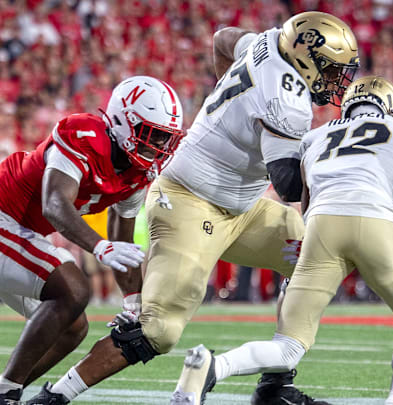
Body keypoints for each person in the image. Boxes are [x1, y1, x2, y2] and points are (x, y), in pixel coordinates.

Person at [26, 11, 359, 405]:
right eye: (332, 70)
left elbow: (223, 38)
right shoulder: (287, 100)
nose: (338, 82)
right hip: (189, 200)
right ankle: (54, 397)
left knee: (321, 256)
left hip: (243, 209)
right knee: (157, 330)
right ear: (305, 58)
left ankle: (275, 383)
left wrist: (231, 103)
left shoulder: (265, 43)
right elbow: (288, 186)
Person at [170, 76, 393, 405]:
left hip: (321, 228)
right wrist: (391, 257)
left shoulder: (316, 137)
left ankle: (213, 366)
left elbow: (307, 208)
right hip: (376, 220)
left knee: (289, 345)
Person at [0, 75, 184, 404]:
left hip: (20, 233)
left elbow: (122, 239)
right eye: (150, 134)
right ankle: (7, 393)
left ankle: (4, 390)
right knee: (73, 289)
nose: (157, 145)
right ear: (123, 122)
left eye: (163, 137)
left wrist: (135, 302)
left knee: (72, 326)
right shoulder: (84, 134)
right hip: (3, 214)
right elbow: (55, 203)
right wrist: (100, 247)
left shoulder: (136, 173)